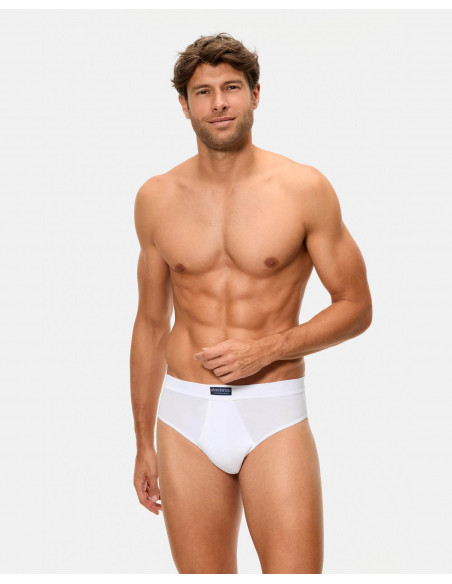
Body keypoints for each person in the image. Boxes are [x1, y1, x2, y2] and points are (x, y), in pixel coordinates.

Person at [129, 32, 372, 574]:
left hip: (272, 410)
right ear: (184, 105)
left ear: (255, 95)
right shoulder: (156, 198)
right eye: (203, 92)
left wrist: (268, 348)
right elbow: (149, 325)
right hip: (185, 417)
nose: (219, 103)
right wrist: (143, 442)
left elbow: (356, 304)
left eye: (232, 88)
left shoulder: (303, 189)